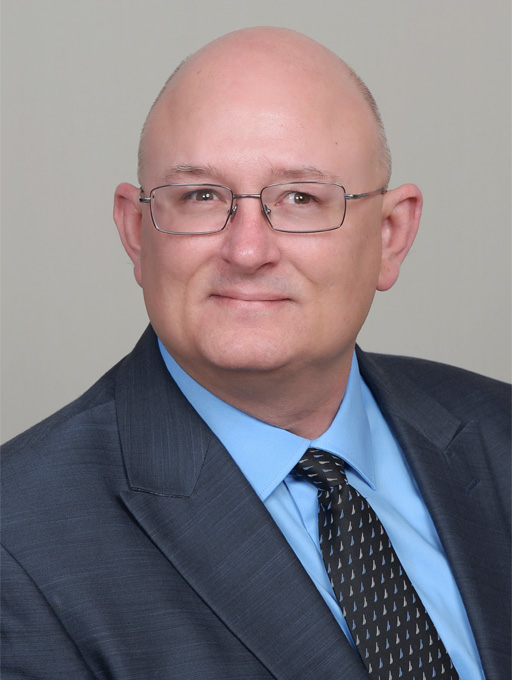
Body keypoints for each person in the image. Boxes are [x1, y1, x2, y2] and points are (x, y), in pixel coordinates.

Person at [1, 27, 509, 680]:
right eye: (200, 197)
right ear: (136, 232)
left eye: (301, 198)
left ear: (390, 235)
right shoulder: (20, 538)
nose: (247, 251)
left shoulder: (499, 431)